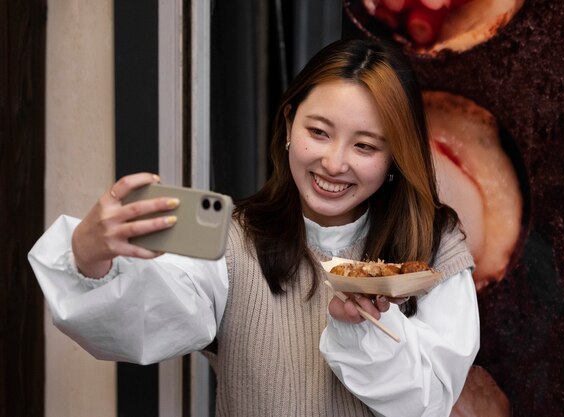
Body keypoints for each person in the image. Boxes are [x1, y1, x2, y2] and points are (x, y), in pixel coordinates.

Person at [29, 38, 479, 417]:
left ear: (394, 158)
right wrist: (87, 257)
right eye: (318, 132)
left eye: (365, 145)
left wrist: (361, 327)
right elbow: (138, 322)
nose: (334, 162)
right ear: (288, 123)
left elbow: (430, 401)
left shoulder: (435, 247)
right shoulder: (233, 243)